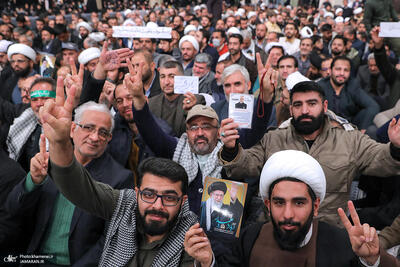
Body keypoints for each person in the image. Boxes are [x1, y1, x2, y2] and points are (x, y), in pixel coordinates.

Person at [37, 77, 199, 266]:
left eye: (170, 198)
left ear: (183, 201)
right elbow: (76, 185)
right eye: (148, 194)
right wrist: (60, 142)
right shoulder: (125, 205)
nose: (157, 205)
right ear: (137, 193)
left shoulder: (190, 237)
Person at [219, 80, 400, 227]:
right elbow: (244, 165)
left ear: (324, 105)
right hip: (277, 231)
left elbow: (381, 160)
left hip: (329, 233)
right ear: (291, 110)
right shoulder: (273, 138)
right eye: (298, 105)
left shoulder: (350, 140)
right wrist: (231, 148)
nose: (305, 110)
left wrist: (396, 147)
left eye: (312, 103)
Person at [195, 150, 399, 266]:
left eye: (299, 202)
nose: (288, 214)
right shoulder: (251, 237)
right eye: (279, 202)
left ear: (316, 205)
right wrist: (208, 261)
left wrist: (372, 260)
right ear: (267, 204)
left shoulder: (343, 245)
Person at [6, 101, 134, 265]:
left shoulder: (120, 178)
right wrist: (33, 181)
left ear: (109, 139)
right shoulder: (48, 163)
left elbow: (111, 240)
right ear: (72, 129)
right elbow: (13, 210)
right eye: (88, 127)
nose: (95, 137)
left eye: (103, 133)